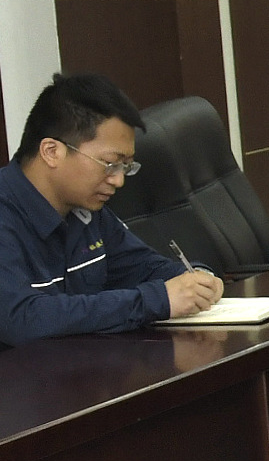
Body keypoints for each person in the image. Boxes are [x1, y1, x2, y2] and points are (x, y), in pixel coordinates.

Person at [2, 73, 221, 344]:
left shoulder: (87, 211)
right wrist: (157, 300)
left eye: (125, 167)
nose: (118, 180)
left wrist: (196, 280)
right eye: (109, 164)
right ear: (51, 151)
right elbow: (19, 318)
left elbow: (143, 267)